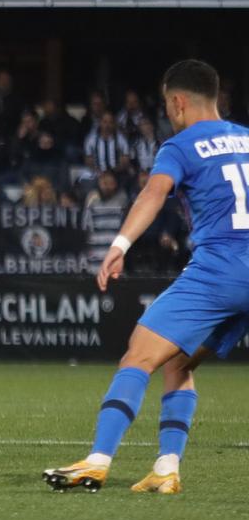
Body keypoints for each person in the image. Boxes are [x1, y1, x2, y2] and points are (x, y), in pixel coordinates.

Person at [46, 60, 249, 495]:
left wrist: (118, 247)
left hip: (220, 270)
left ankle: (97, 461)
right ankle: (166, 467)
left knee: (137, 356)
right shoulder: (248, 140)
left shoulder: (180, 146)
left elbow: (152, 194)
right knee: (179, 361)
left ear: (177, 102)